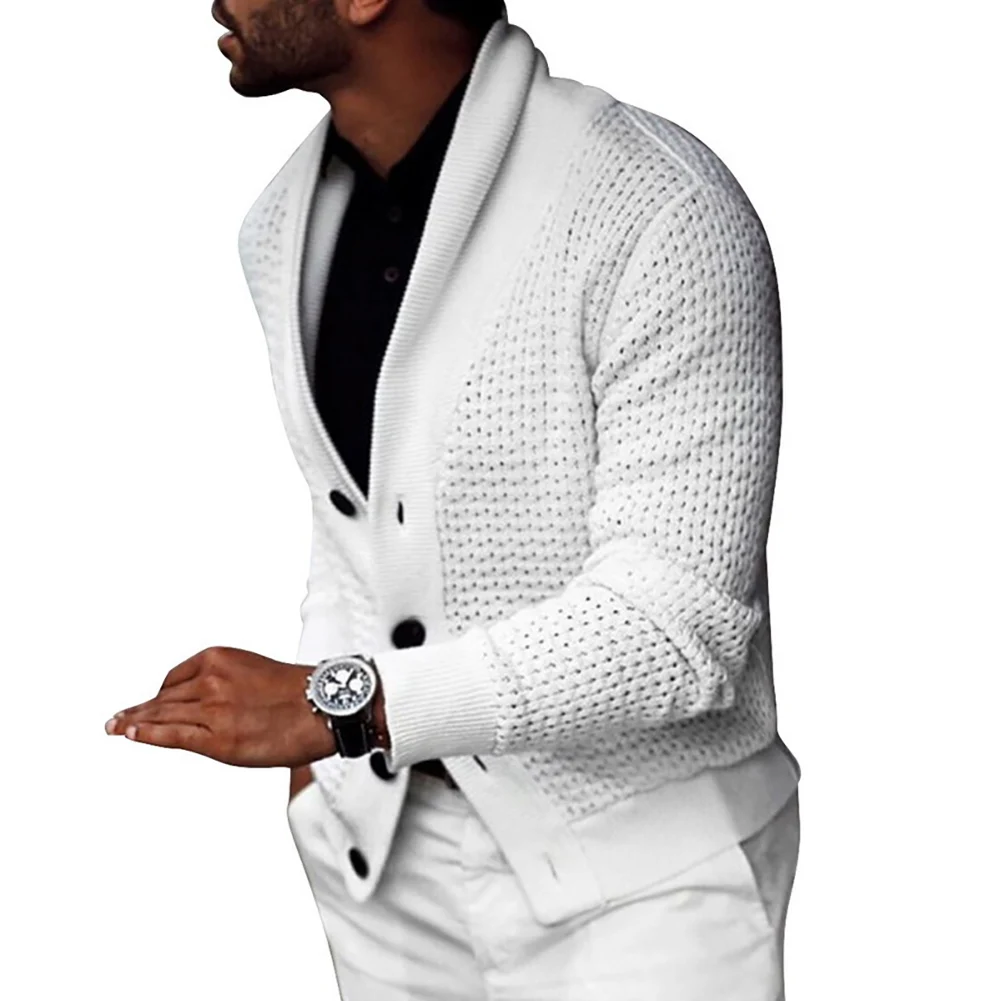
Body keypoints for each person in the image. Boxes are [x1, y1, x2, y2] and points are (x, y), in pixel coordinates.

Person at [106, 1, 802, 997]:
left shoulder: (657, 206)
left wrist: (336, 709)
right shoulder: (277, 226)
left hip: (647, 880)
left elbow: (674, 629)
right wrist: (325, 780)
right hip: (383, 872)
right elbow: (353, 523)